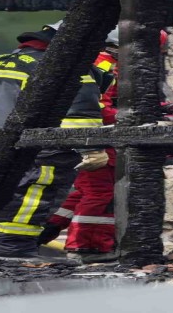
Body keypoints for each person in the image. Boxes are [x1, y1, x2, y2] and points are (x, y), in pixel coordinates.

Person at [0, 23, 112, 260]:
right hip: (40, 147)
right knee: (32, 196)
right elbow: (80, 112)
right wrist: (93, 149)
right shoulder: (64, 66)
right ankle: (10, 248)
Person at [39, 28, 120, 264]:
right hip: (96, 139)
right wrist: (132, 118)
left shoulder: (101, 62)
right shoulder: (105, 64)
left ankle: (45, 229)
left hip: (92, 138)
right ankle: (87, 247)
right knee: (100, 193)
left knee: (84, 192)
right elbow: (99, 107)